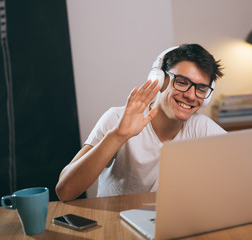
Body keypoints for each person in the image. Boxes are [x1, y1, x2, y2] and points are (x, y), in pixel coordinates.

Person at [55, 44, 226, 202]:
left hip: (167, 222)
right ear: (159, 79)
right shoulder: (117, 118)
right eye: (182, 82)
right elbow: (65, 191)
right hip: (116, 223)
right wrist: (118, 136)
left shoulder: (201, 127)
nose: (191, 95)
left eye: (201, 89)